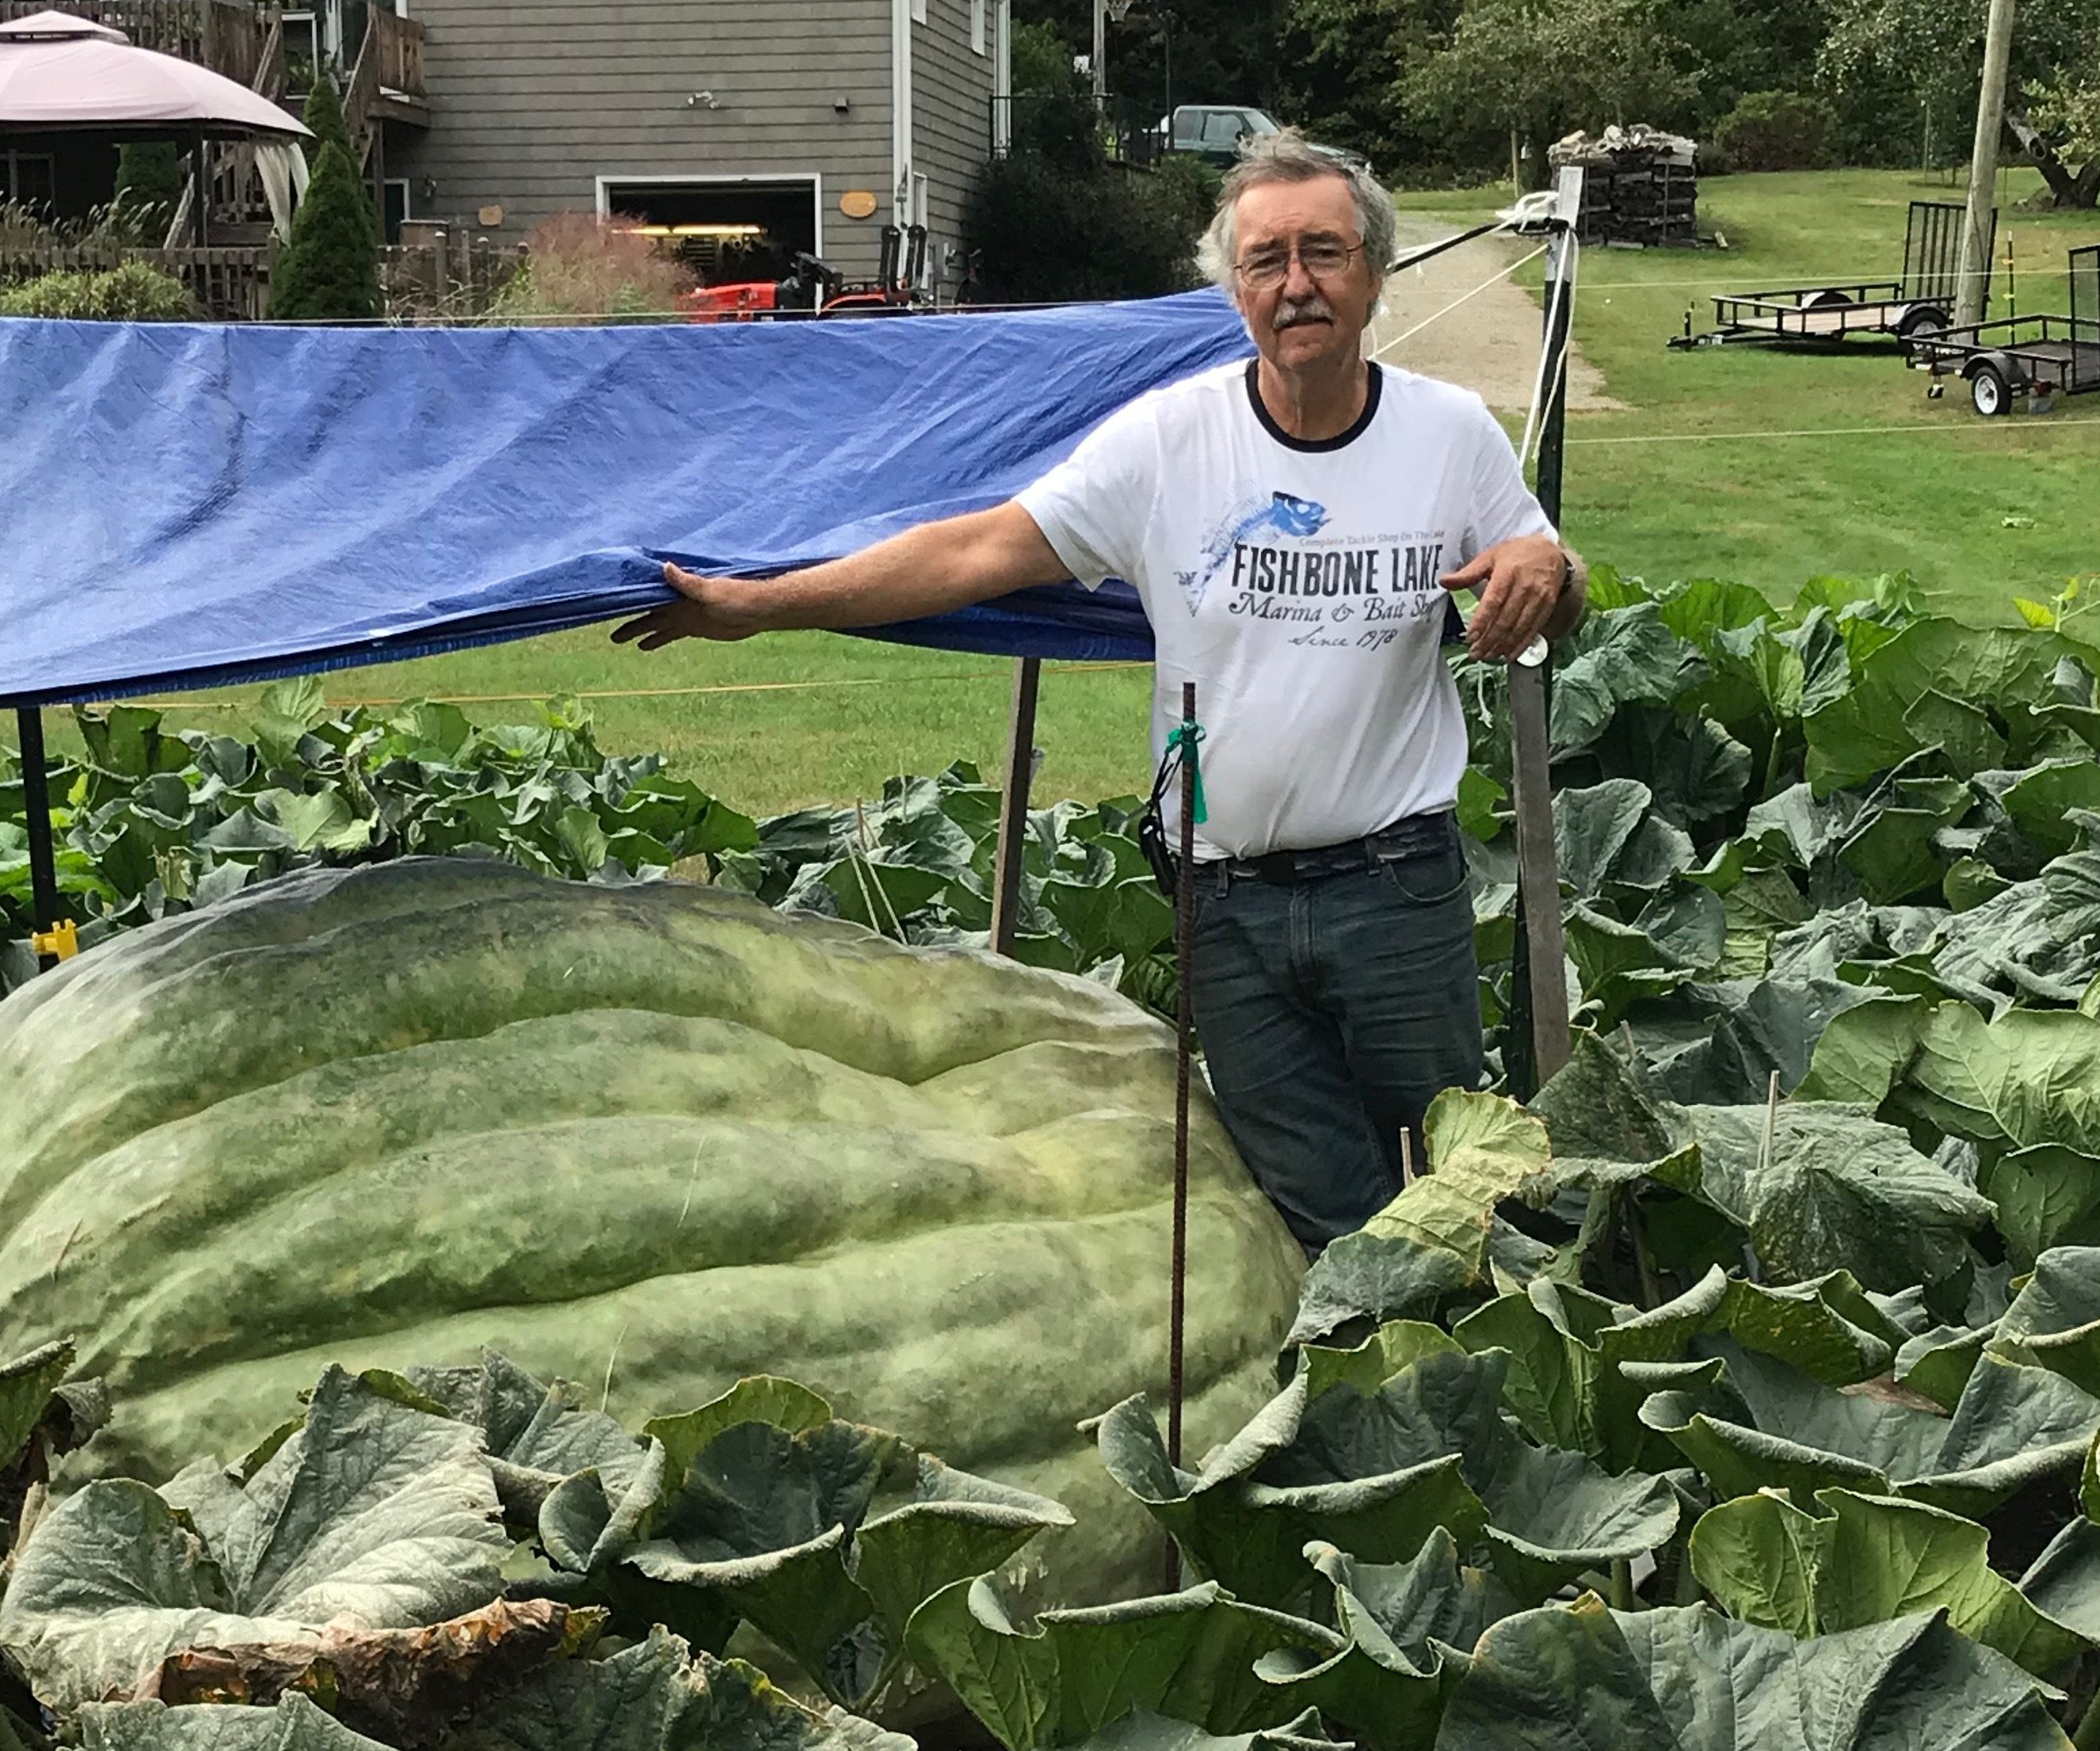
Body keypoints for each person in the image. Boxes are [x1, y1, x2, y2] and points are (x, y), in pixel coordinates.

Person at [612, 129, 1581, 1252]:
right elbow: (972, 553)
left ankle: (1464, 1387)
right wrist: (759, 602)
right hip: (1227, 908)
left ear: (1373, 272)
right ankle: (1370, 1382)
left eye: (1324, 253)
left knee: (1452, 1182)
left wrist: (1547, 574)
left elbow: (1552, 588)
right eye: (1265, 261)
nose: (1296, 284)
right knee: (1318, 1205)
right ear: (1232, 289)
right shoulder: (1169, 443)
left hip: (1394, 892)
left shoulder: (1450, 435)